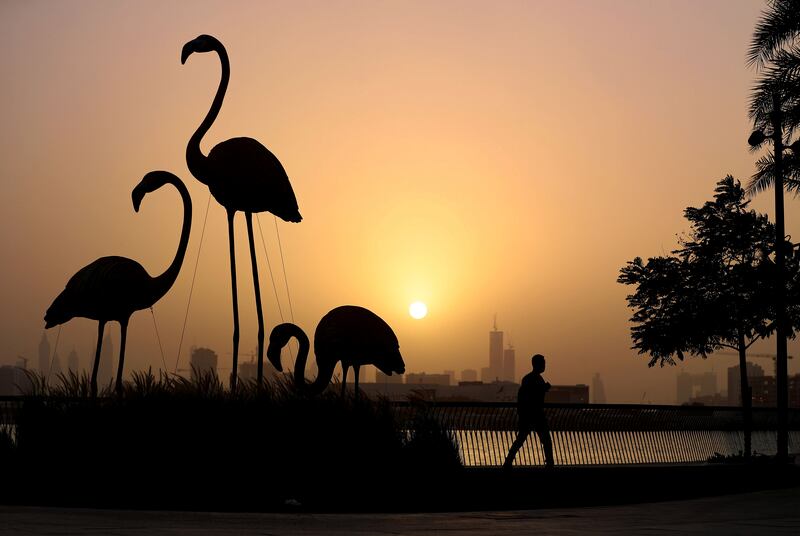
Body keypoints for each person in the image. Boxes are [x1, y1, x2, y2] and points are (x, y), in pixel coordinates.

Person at [503, 353, 554, 469]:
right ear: (537, 364)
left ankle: (508, 461)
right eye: (543, 363)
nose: (545, 365)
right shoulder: (533, 379)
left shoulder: (529, 378)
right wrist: (544, 388)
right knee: (544, 440)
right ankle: (550, 464)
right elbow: (531, 395)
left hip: (530, 415)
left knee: (522, 439)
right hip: (533, 414)